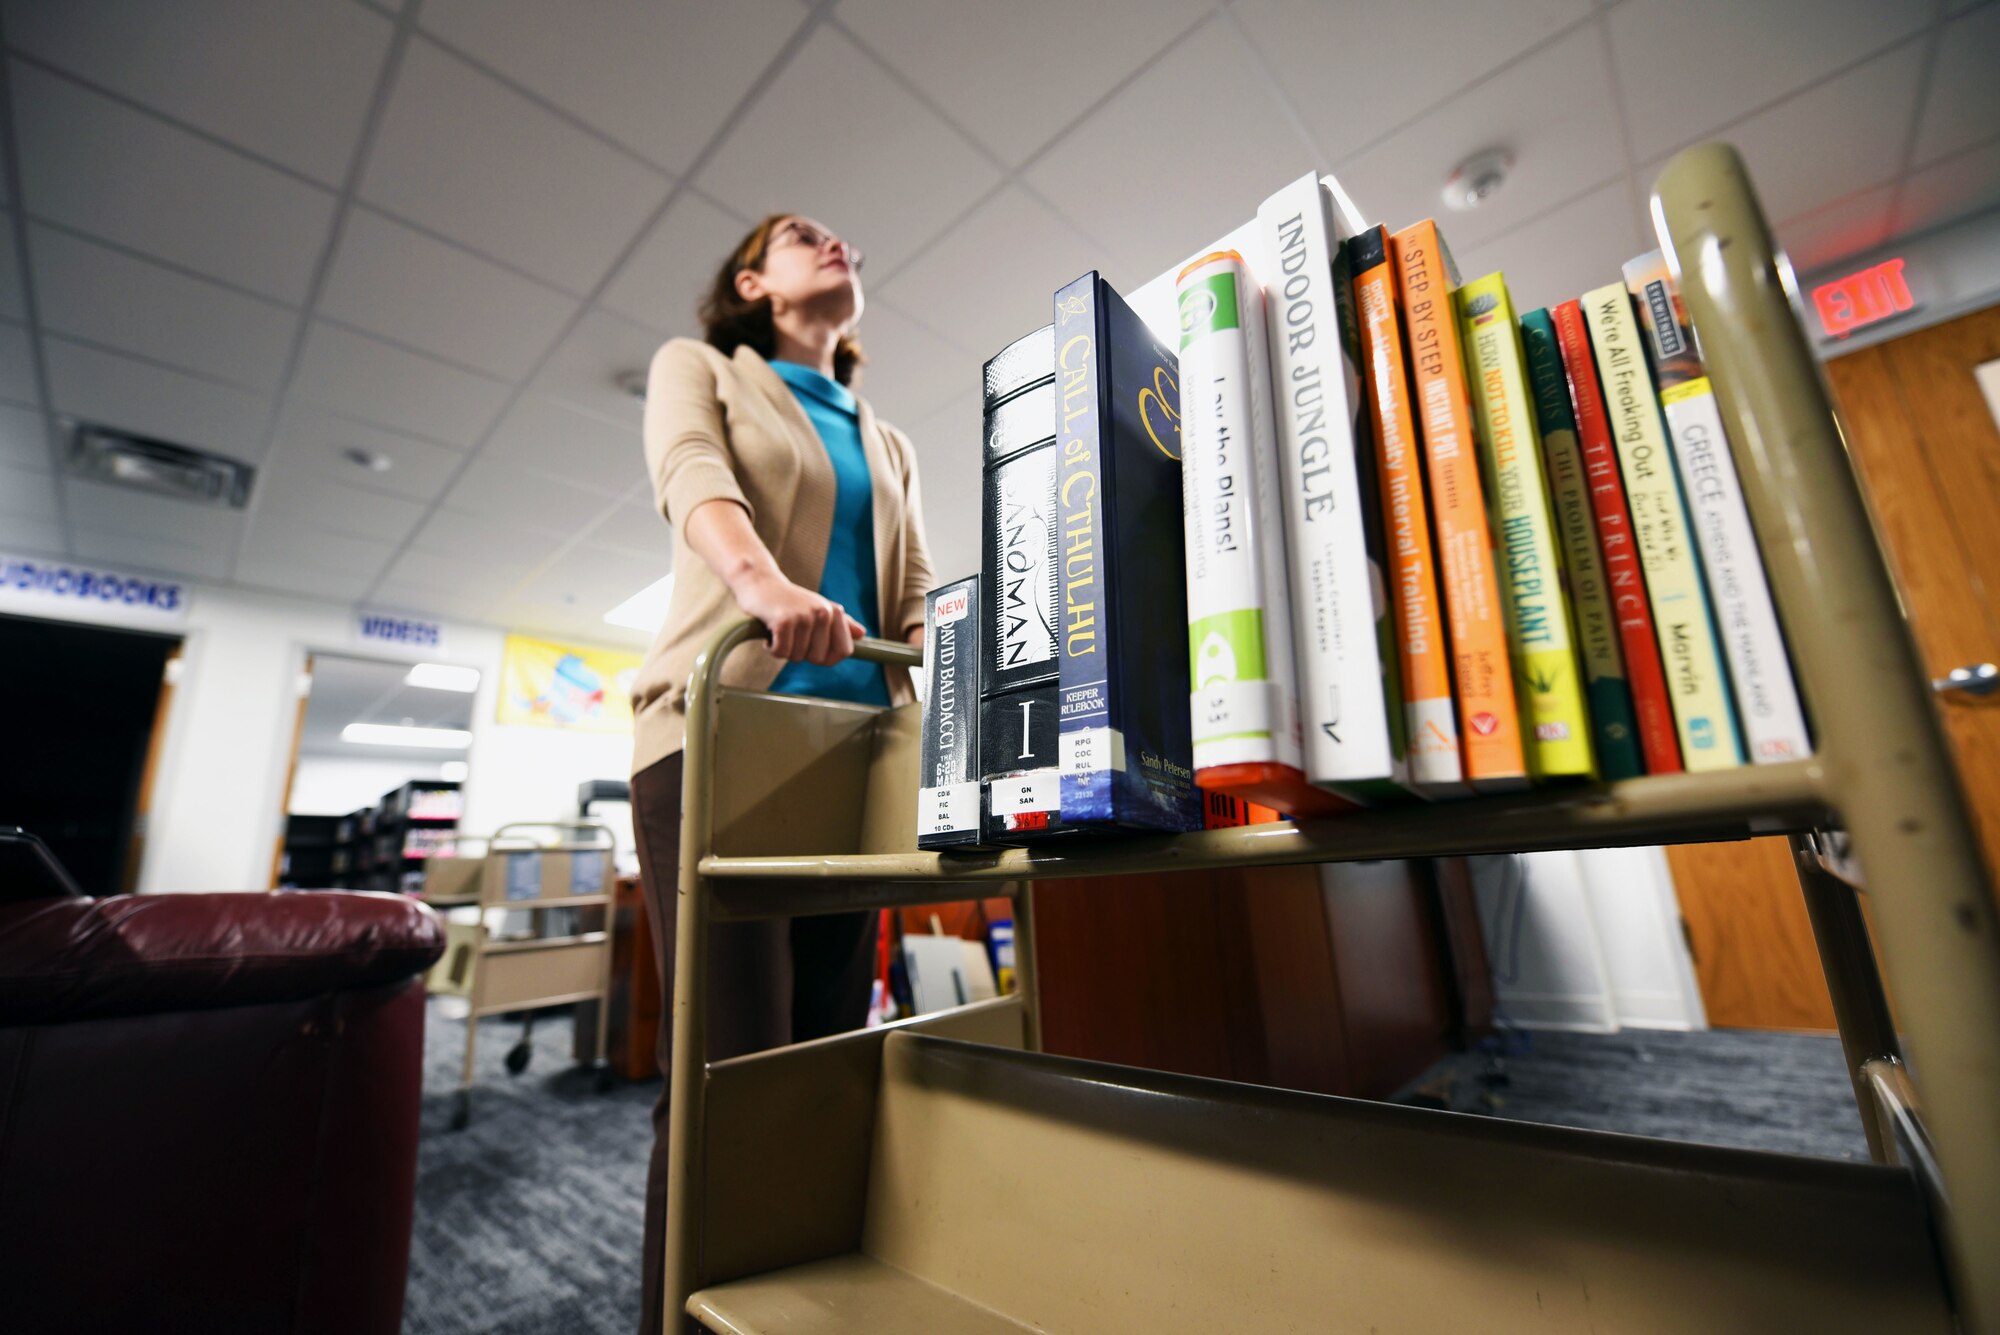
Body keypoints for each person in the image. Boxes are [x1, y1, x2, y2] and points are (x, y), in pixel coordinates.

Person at [627, 213, 933, 1333]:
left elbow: (916, 602)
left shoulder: (889, 440)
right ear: (753, 282)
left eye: (845, 234)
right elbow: (690, 473)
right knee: (724, 1079)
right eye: (802, 236)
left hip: (851, 769)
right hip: (718, 740)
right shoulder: (702, 369)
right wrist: (763, 587)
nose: (836, 242)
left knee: (817, 1070)